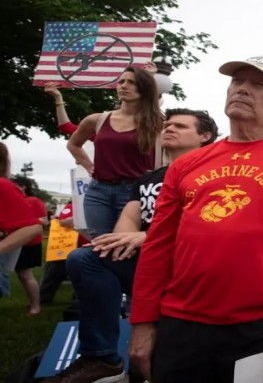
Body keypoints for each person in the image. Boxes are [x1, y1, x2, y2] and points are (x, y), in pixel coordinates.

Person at [128, 56, 263, 383]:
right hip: (182, 323)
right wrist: (143, 323)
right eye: (237, 82)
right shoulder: (186, 165)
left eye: (259, 84)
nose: (242, 89)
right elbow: (158, 247)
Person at [43, 109, 218, 383]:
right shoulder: (148, 179)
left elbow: (212, 223)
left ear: (205, 136)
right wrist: (123, 240)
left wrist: (146, 237)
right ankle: (102, 358)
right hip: (149, 263)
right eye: (168, 125)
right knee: (86, 257)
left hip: (192, 265)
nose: (169, 128)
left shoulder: (215, 174)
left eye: (181, 126)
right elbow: (130, 216)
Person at [66, 66, 163, 238]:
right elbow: (73, 145)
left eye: (132, 82)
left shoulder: (159, 123)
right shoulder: (97, 119)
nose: (124, 86)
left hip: (135, 193)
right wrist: (89, 166)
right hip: (98, 191)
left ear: (145, 88)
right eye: (121, 81)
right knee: (100, 245)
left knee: (124, 247)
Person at [0, 143, 43, 282]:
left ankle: (35, 304)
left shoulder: (3, 186)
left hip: (30, 246)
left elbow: (32, 227)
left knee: (25, 274)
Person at [39, 201, 90, 305]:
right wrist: (89, 215)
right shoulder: (72, 206)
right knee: (52, 276)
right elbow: (64, 222)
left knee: (82, 278)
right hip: (64, 249)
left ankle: (77, 302)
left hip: (85, 249)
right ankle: (41, 299)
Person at [10, 176, 47, 315]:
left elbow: (44, 221)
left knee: (25, 274)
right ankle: (32, 301)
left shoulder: (33, 201)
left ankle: (36, 306)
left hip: (29, 242)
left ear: (23, 186)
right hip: (19, 241)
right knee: (22, 274)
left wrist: (20, 221)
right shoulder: (19, 201)